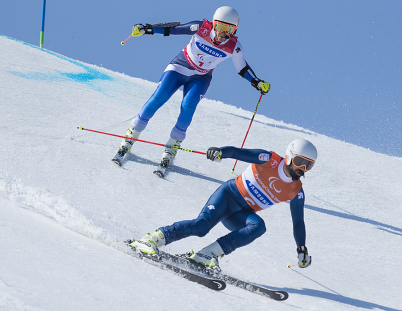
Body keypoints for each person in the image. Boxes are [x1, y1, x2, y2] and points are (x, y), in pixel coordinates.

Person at [112, 6, 270, 167]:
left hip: (201, 78)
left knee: (188, 106)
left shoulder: (234, 47)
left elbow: (242, 68)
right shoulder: (201, 28)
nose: (224, 33)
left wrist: (256, 82)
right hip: (179, 68)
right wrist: (148, 29)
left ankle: (172, 146)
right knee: (158, 98)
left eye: (229, 29)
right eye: (221, 27)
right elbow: (173, 29)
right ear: (214, 23)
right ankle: (130, 137)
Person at [129, 138, 316, 270]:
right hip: (228, 196)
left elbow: (298, 223)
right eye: (300, 162)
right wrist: (220, 151)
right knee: (201, 226)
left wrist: (302, 249)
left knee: (259, 226)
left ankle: (207, 254)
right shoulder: (269, 160)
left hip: (241, 214)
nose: (303, 169)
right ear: (290, 156)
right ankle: (152, 239)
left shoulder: (296, 191)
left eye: (309, 165)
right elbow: (235, 151)